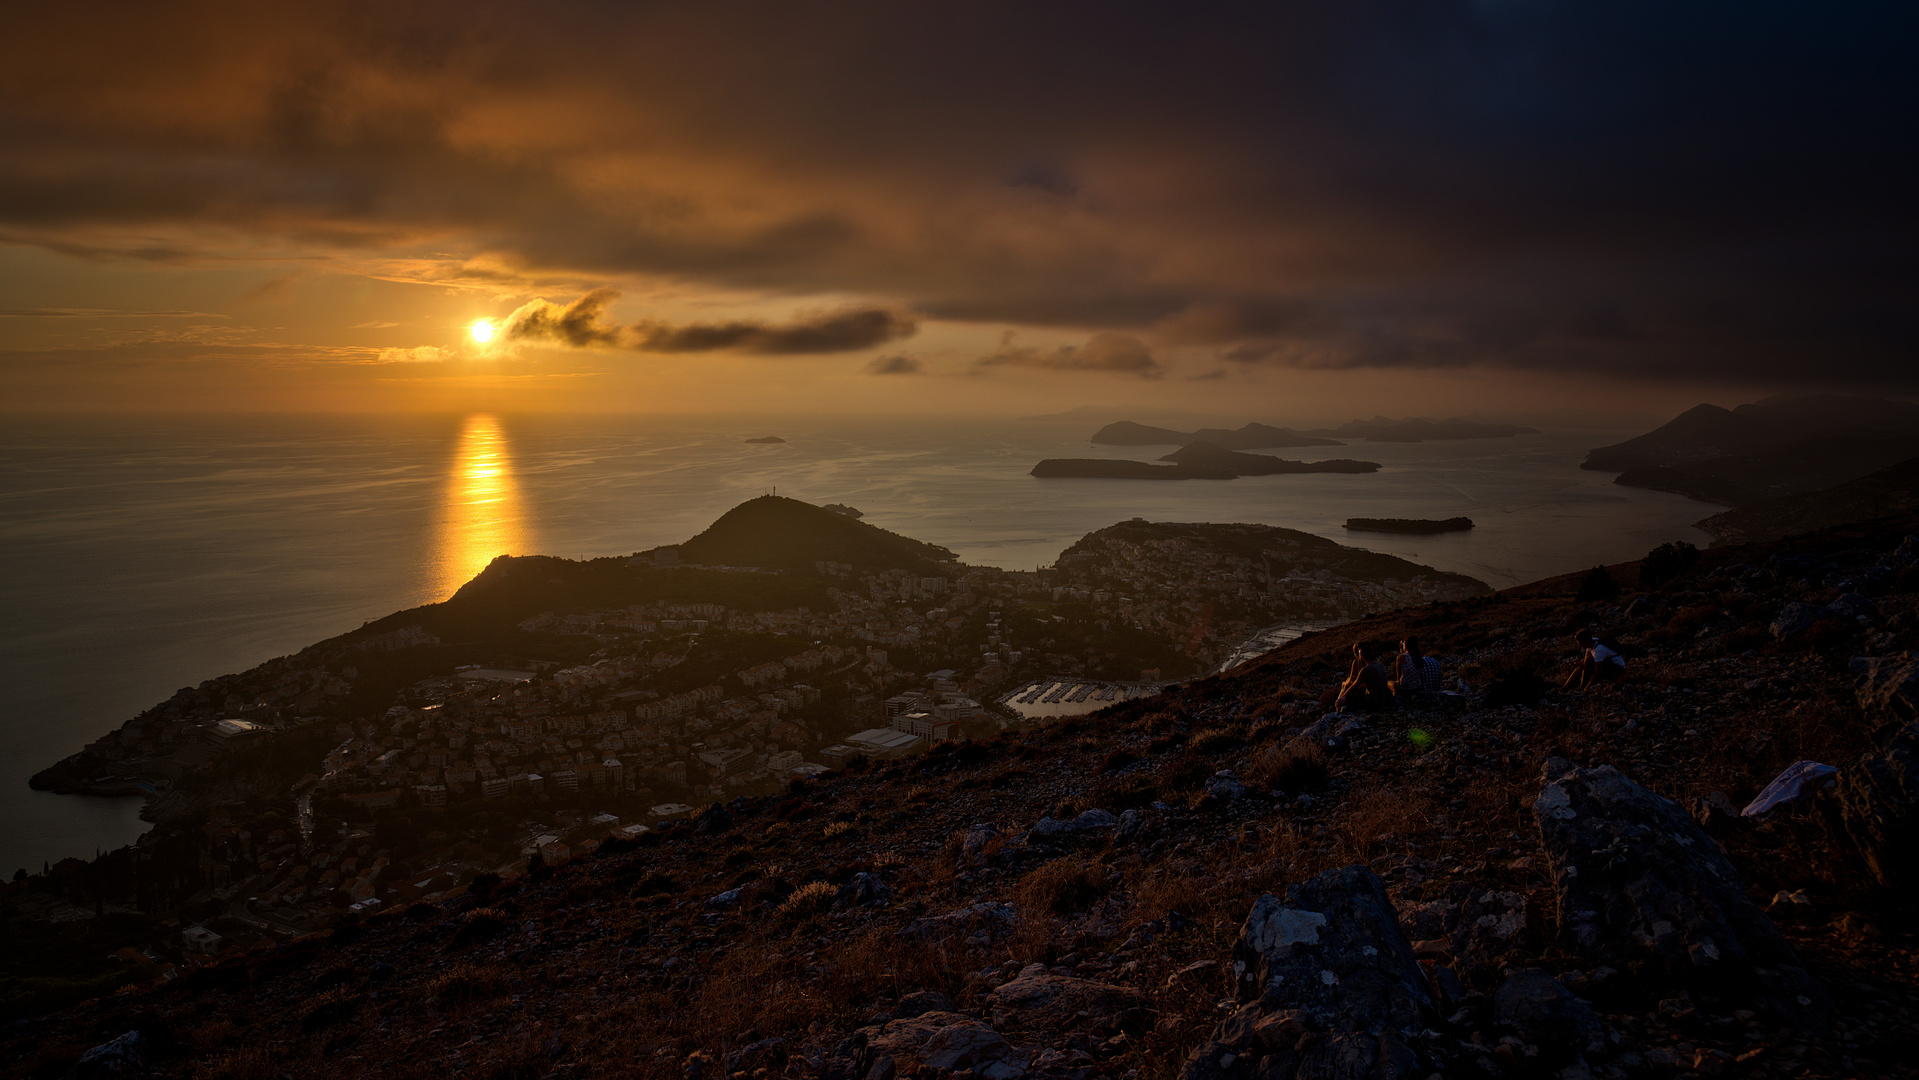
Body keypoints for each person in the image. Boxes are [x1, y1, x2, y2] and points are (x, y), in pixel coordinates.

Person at [1335, 641, 1395, 712]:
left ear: (1362, 656)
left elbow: (1354, 686)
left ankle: (1338, 712)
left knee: (1346, 700)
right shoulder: (1380, 665)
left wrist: (1343, 697)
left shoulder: (1366, 669)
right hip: (1386, 699)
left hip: (1374, 702)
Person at [1561, 629, 1625, 691]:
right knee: (1582, 665)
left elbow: (1598, 671)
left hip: (1618, 669)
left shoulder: (1599, 649)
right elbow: (1585, 661)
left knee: (1589, 660)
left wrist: (1588, 686)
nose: (1581, 646)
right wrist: (1576, 664)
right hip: (1607, 664)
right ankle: (1565, 687)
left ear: (1587, 641)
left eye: (1581, 643)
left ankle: (1583, 687)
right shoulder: (1592, 642)